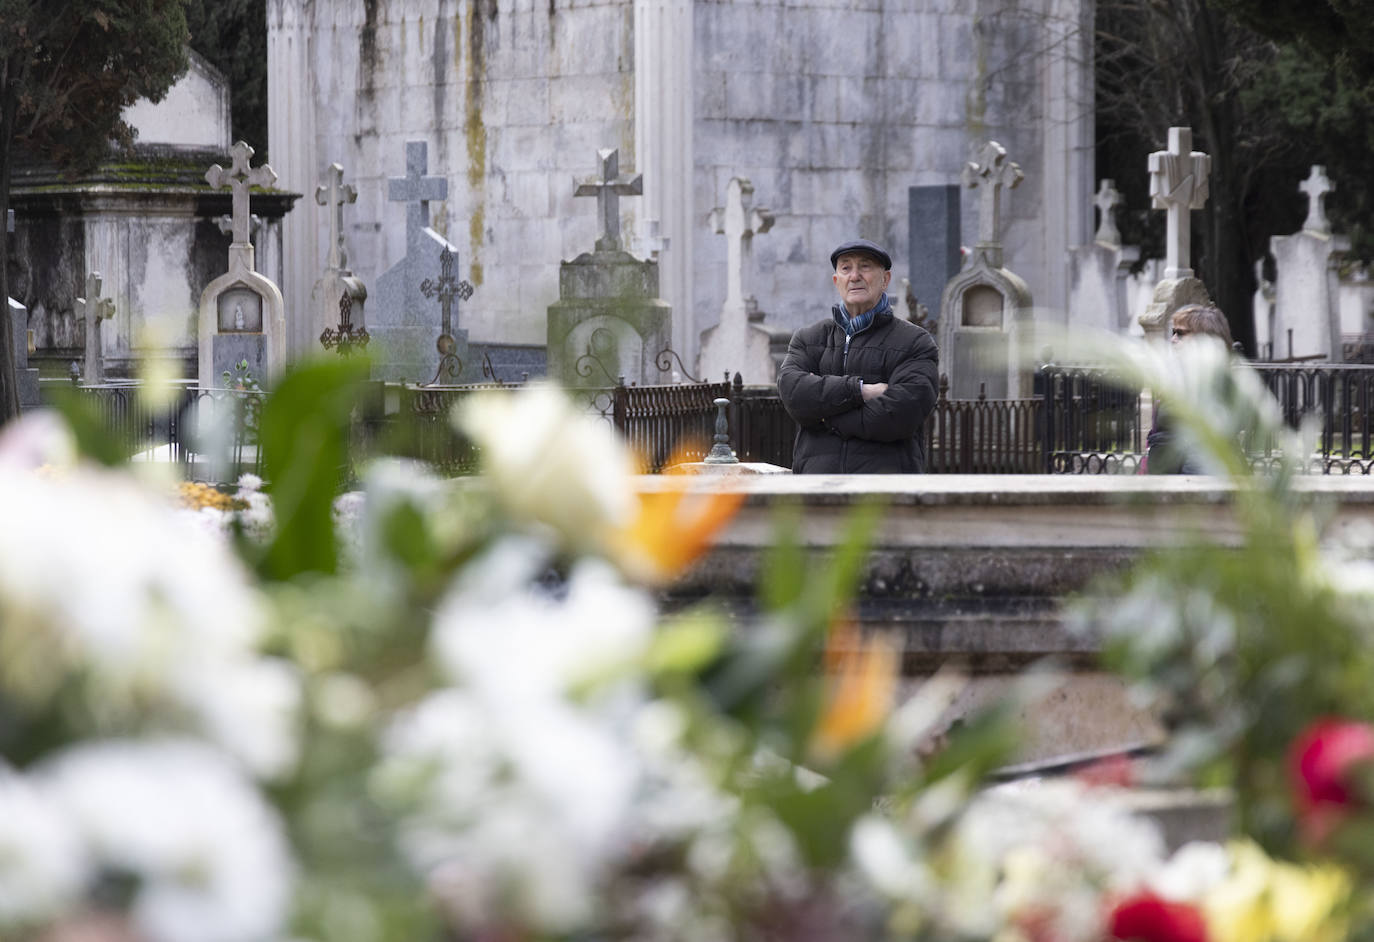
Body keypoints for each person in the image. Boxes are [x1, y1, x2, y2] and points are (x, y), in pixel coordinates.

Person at [777, 238, 939, 473]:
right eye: (846, 268)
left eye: (865, 266)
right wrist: (860, 390)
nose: (854, 276)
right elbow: (793, 393)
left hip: (884, 492)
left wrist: (824, 418)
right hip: (815, 489)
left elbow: (900, 414)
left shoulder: (914, 342)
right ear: (836, 281)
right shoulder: (809, 338)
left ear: (885, 280)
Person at [1144, 302, 1235, 475]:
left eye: (1180, 334)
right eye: (1173, 332)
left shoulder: (1208, 382)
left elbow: (1202, 452)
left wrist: (1185, 491)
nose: (1173, 339)